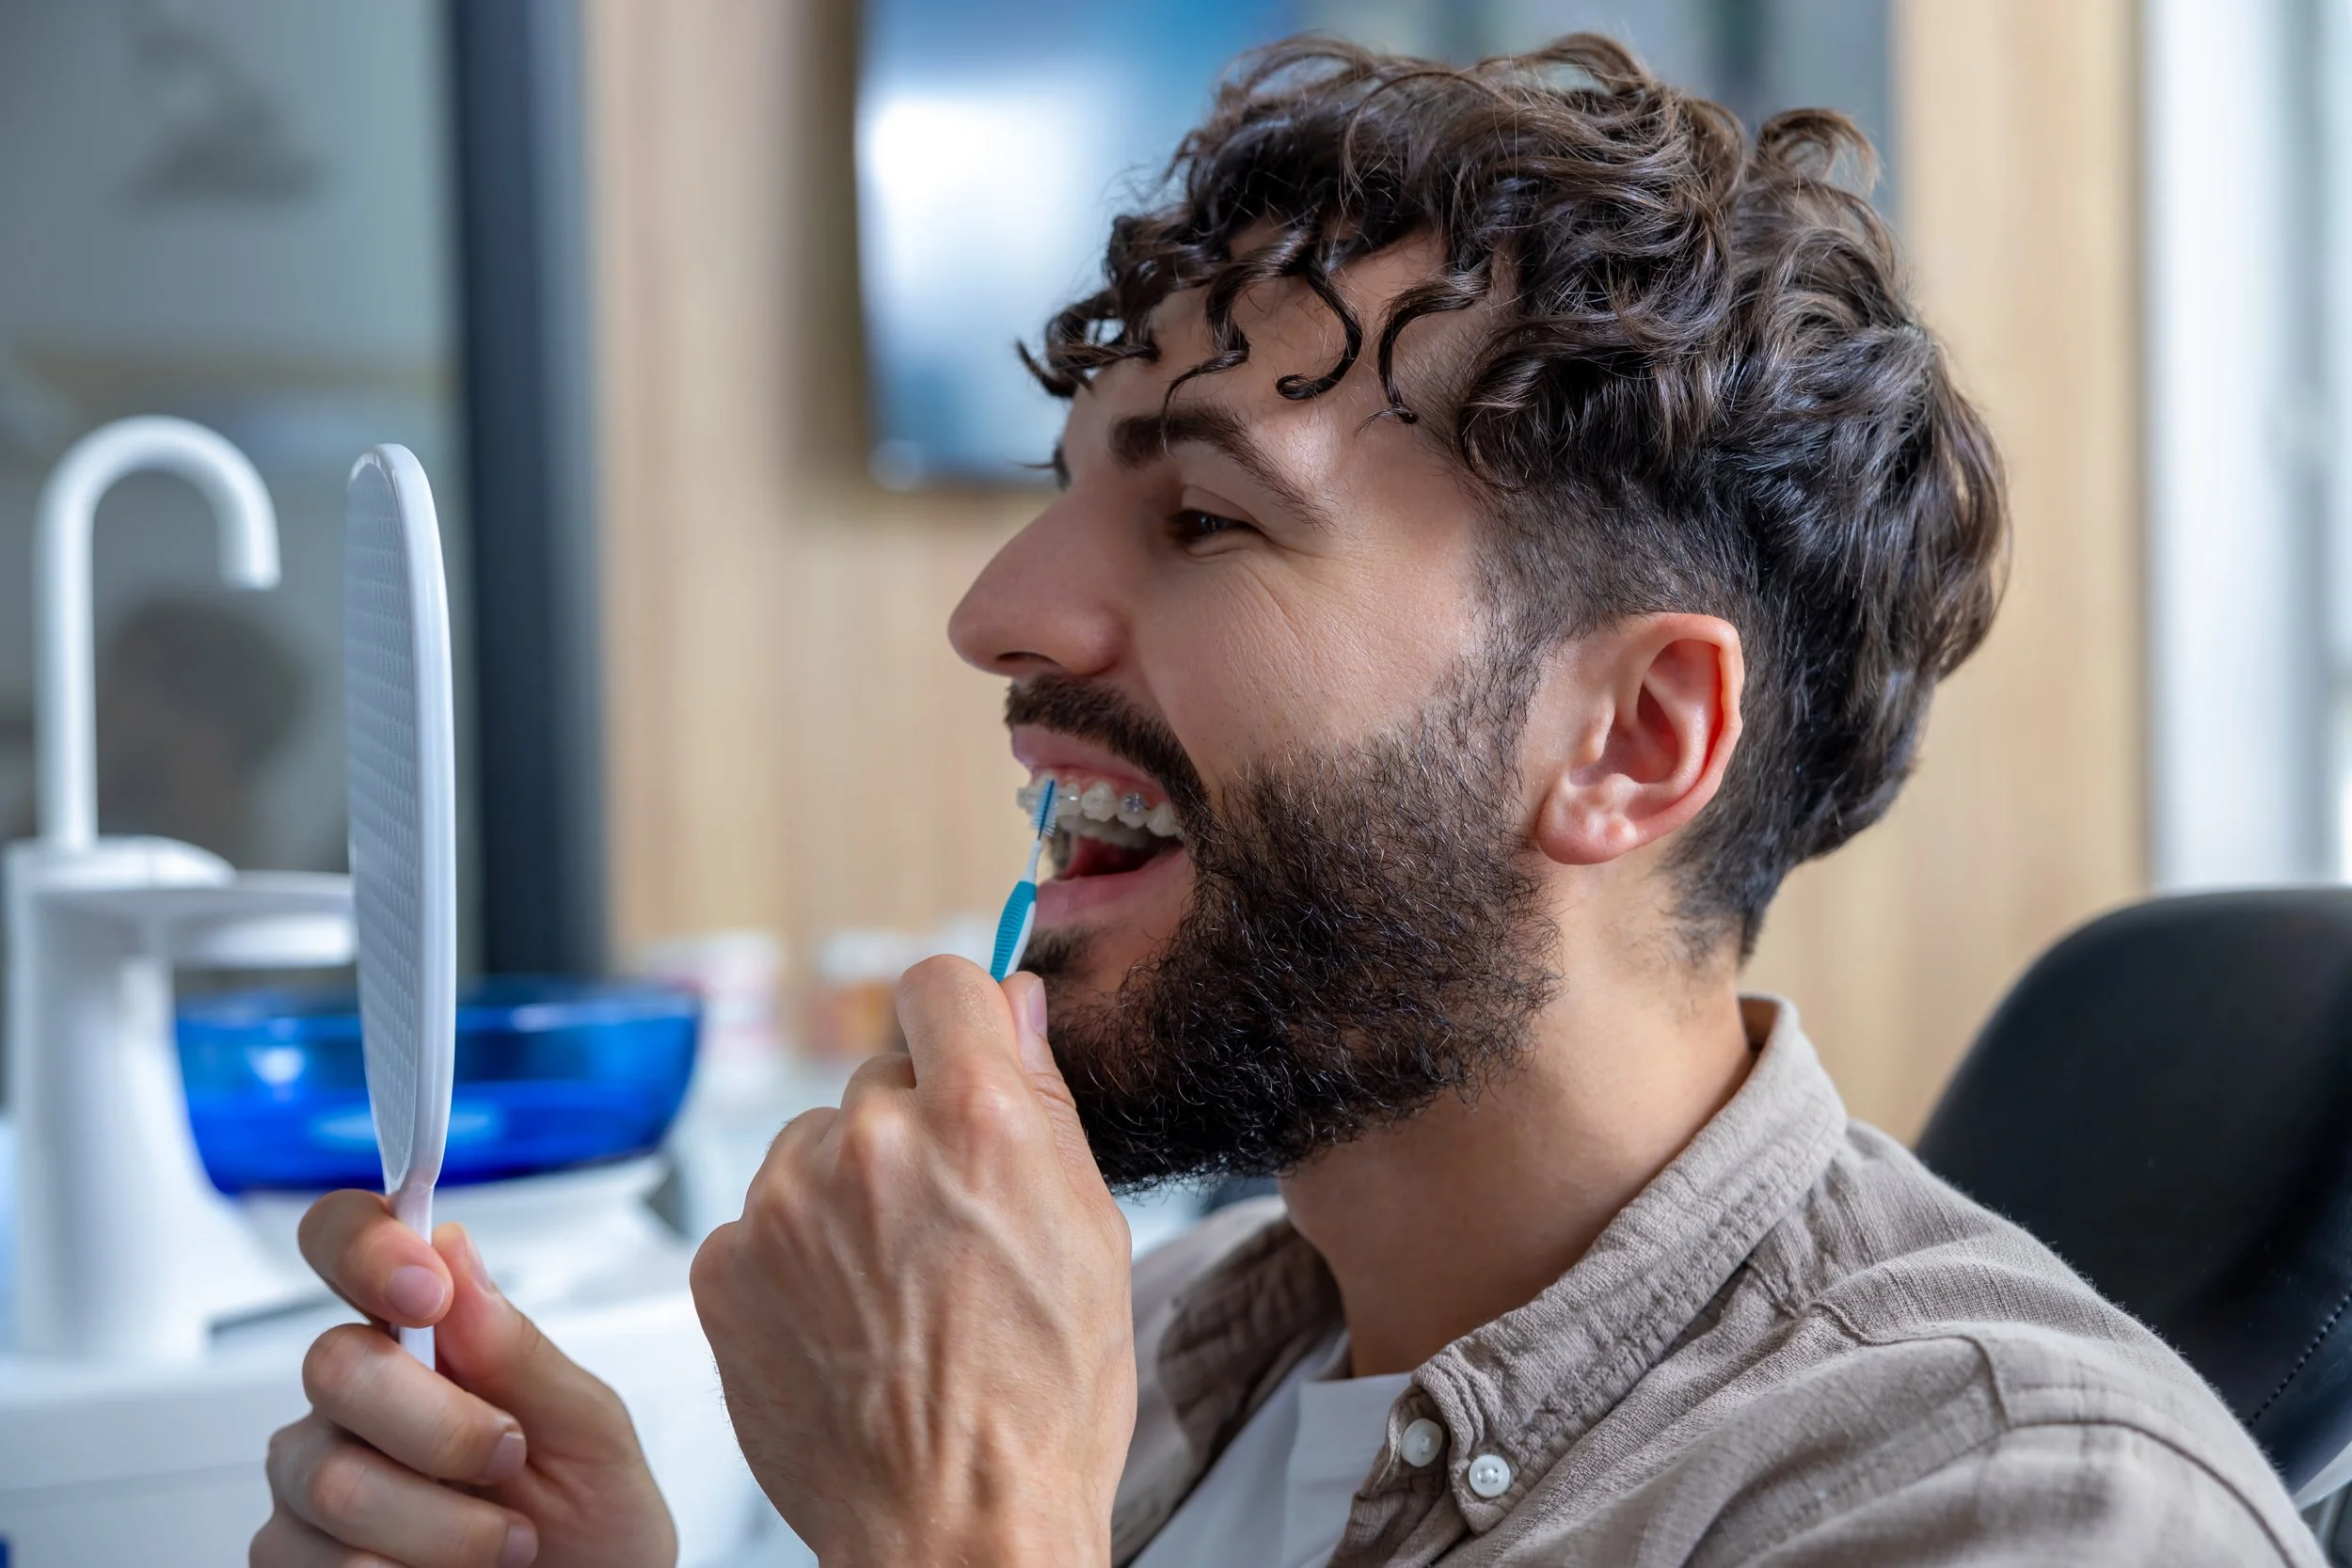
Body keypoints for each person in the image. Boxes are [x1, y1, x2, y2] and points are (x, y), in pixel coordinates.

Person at [251, 36, 2322, 1568]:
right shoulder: (1133, 1347)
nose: (1001, 614)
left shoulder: (2021, 1507)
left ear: (1627, 741)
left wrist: (969, 1536)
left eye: (1207, 516)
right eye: (1066, 499)